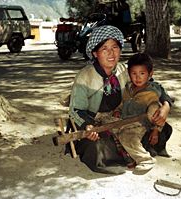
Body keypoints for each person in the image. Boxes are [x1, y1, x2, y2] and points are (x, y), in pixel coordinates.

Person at [68, 25, 172, 174]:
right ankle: (129, 153)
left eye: (115, 47)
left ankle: (132, 151)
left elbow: (153, 85)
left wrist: (166, 106)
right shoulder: (85, 76)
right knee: (97, 146)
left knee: (159, 125)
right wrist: (88, 125)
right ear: (95, 53)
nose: (111, 53)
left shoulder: (125, 70)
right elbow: (76, 109)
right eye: (105, 48)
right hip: (95, 121)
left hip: (123, 116)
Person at [113, 53, 173, 172]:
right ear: (129, 74)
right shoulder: (128, 88)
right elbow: (122, 103)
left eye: (142, 73)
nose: (138, 77)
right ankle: (126, 153)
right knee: (107, 124)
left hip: (141, 123)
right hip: (125, 120)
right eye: (134, 74)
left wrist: (155, 131)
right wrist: (117, 111)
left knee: (127, 137)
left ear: (150, 74)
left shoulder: (153, 91)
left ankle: (145, 159)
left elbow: (157, 112)